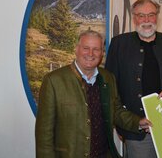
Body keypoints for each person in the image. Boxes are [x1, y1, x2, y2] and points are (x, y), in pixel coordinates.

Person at [35, 30, 151, 158]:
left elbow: (116, 111)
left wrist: (138, 122)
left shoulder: (108, 78)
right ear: (76, 49)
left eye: (96, 49)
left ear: (102, 53)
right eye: (86, 48)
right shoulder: (53, 81)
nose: (90, 54)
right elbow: (44, 134)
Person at [105, 0, 162, 158]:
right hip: (138, 130)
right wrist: (125, 123)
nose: (146, 20)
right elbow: (110, 86)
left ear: (157, 17)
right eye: (141, 15)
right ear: (134, 17)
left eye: (151, 15)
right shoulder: (119, 44)